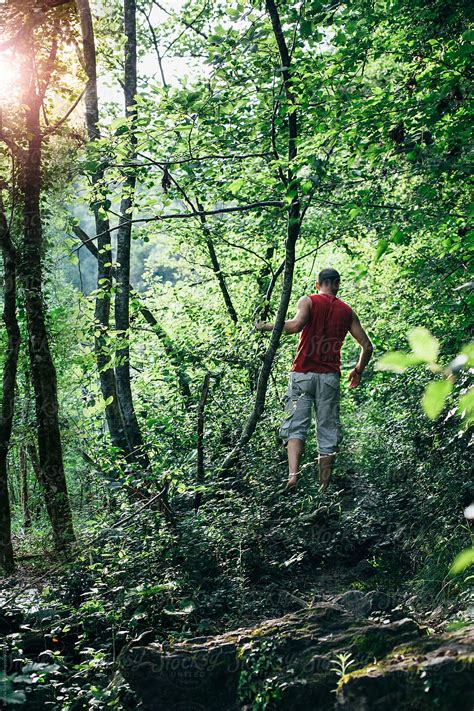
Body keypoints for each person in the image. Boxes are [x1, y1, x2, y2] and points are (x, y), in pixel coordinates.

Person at [255, 268, 373, 491]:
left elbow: (294, 326)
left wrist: (264, 326)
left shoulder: (308, 301)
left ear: (318, 284)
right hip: (329, 378)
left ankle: (293, 475)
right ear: (337, 284)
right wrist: (357, 370)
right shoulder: (347, 311)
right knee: (327, 432)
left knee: (295, 428)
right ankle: (323, 489)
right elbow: (367, 346)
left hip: (302, 374)